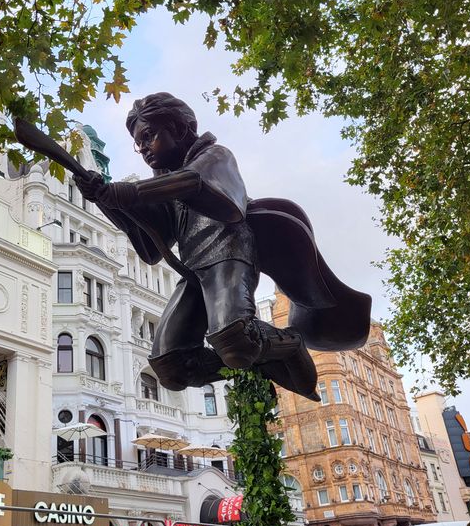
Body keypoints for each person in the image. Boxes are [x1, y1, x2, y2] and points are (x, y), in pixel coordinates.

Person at [75, 93, 371, 397]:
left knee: (234, 336)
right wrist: (105, 199)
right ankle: (253, 357)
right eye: (139, 144)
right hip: (194, 272)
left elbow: (201, 187)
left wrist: (129, 192)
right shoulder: (165, 182)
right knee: (171, 365)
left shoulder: (216, 157)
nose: (144, 150)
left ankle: (282, 345)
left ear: (178, 128)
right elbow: (151, 243)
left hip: (229, 255)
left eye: (149, 136)